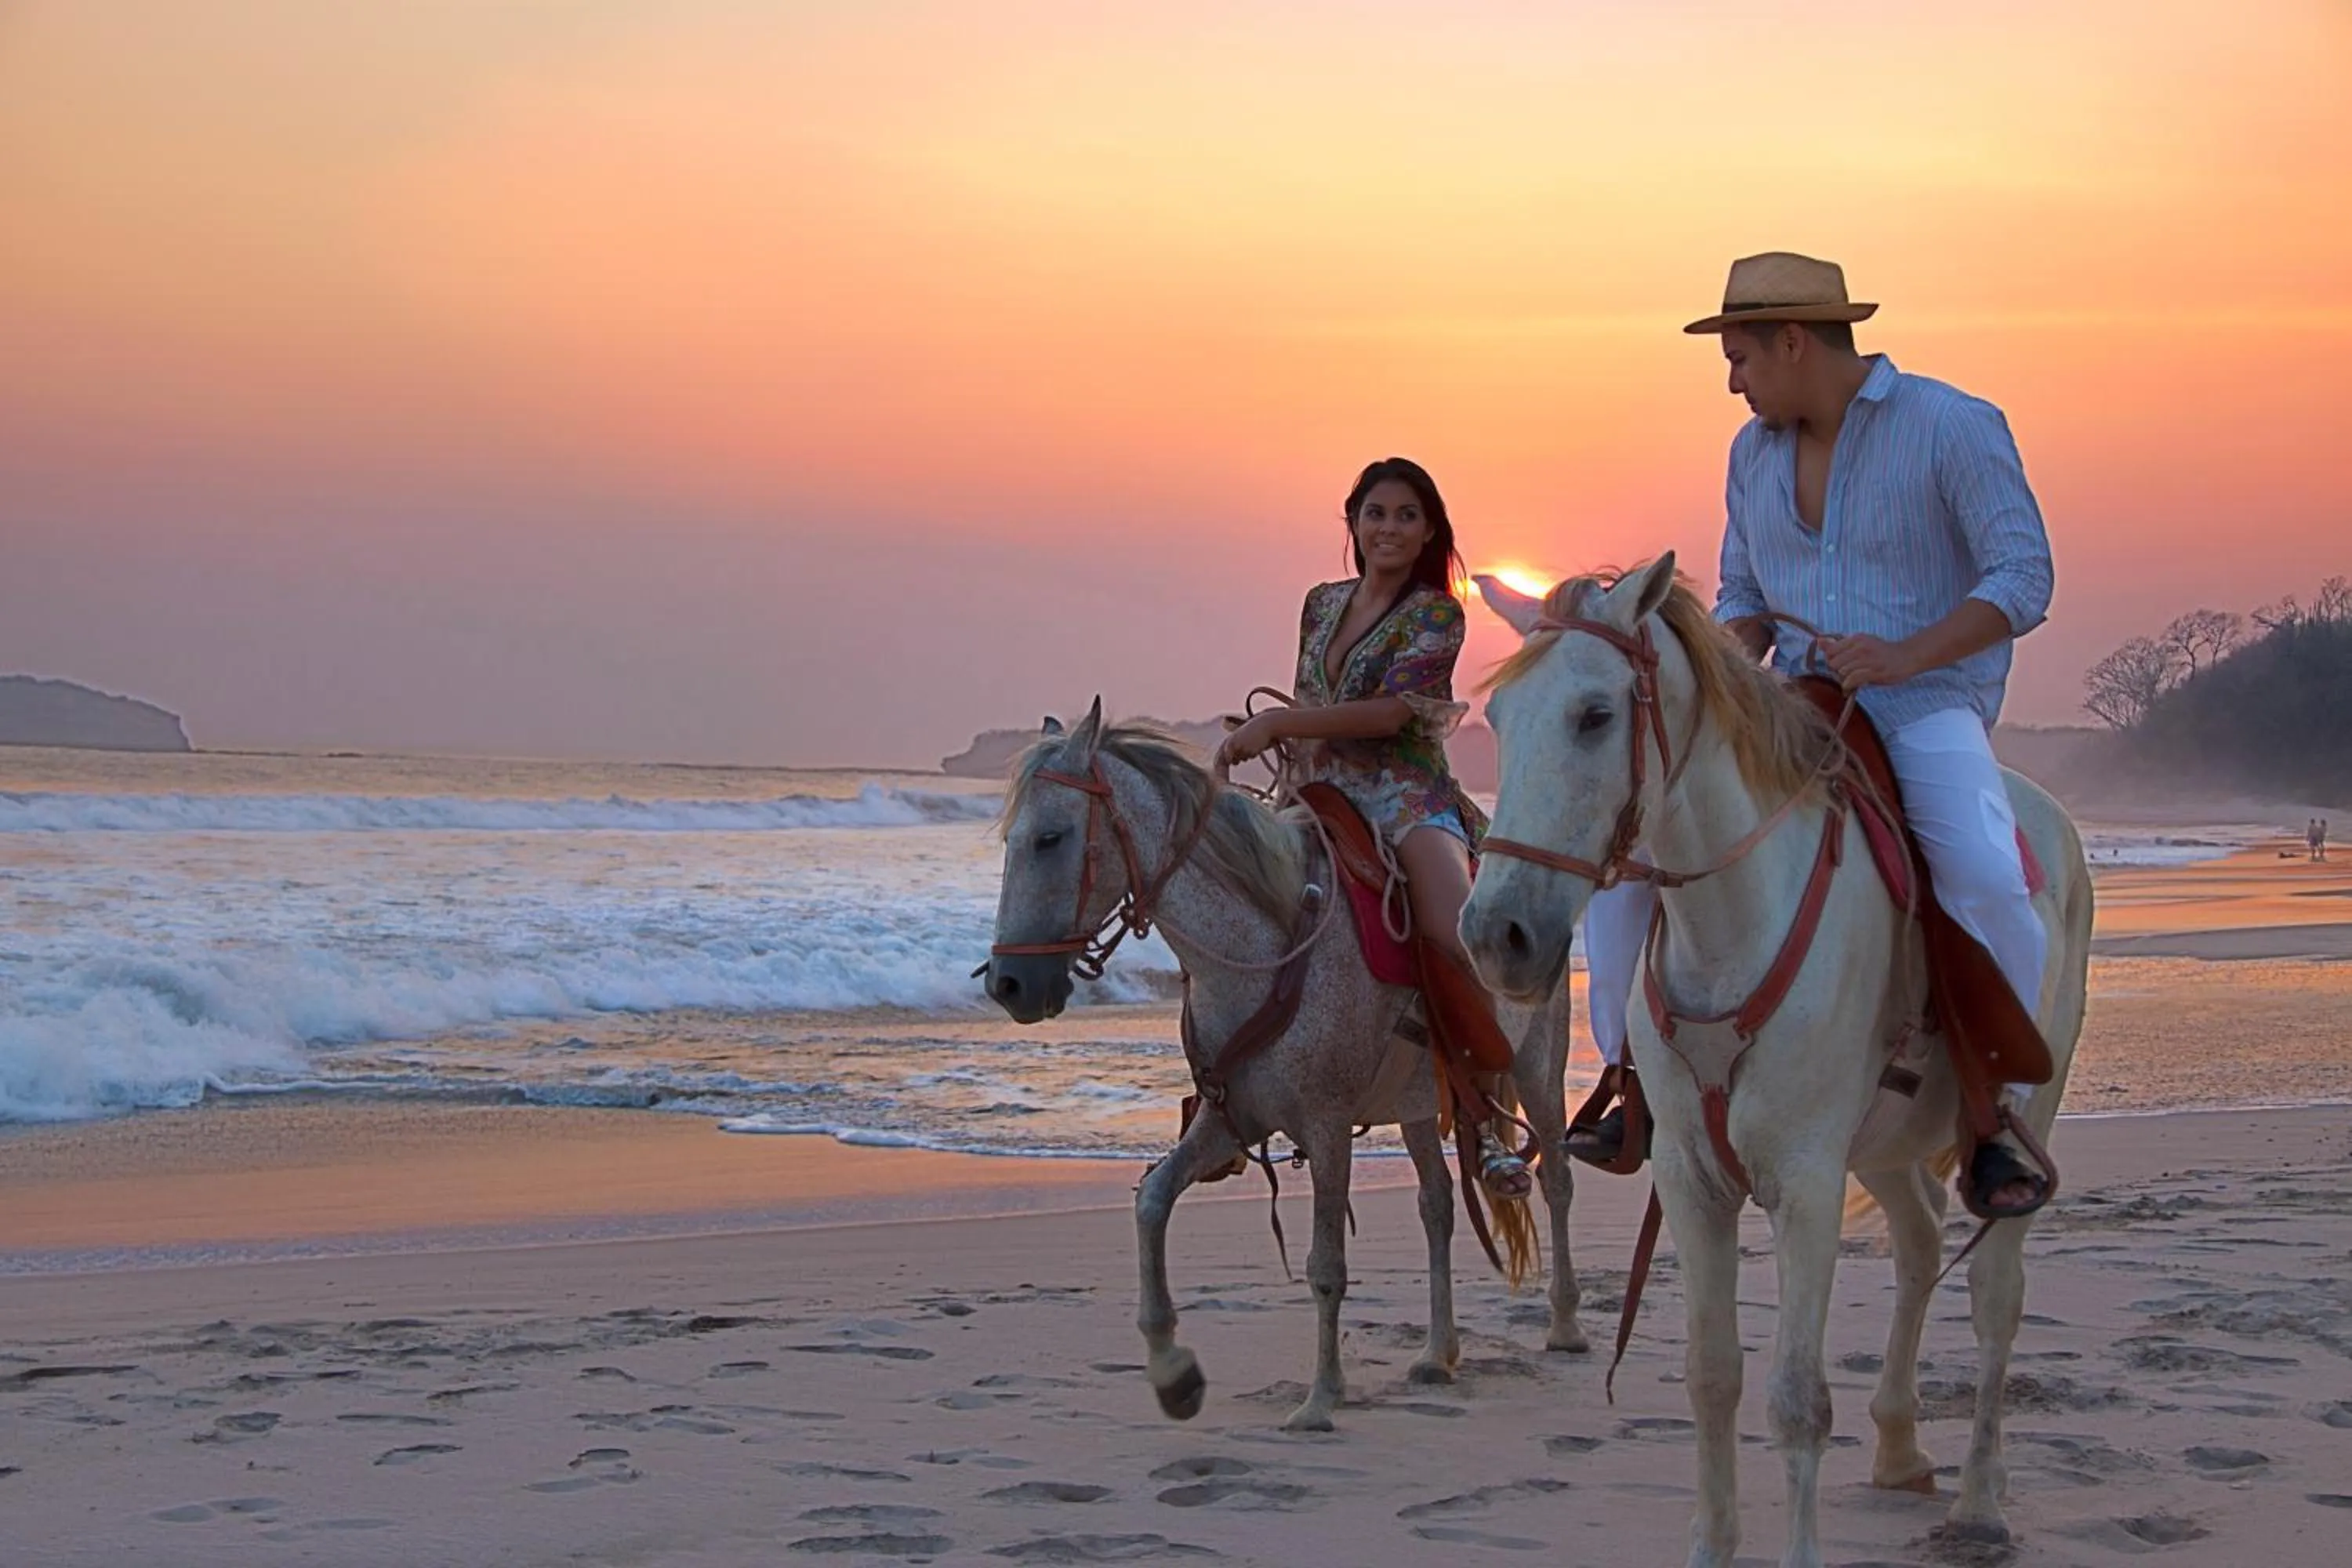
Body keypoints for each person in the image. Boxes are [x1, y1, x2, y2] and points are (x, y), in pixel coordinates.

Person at [1577, 252, 2058, 1218]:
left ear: (1795, 341)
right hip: (1788, 704)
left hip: (1922, 706)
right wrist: (1715, 657)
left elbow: (2022, 579)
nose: (1733, 379)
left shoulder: (1953, 426)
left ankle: (1994, 1111)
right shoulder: (1750, 453)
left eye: (1742, 355)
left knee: (1987, 876)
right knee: (1633, 860)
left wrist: (1905, 654)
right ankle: (1632, 1084)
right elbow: (1747, 597)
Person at [1215, 457, 1531, 1200]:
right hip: (1317, 791)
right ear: (1354, 522)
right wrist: (1286, 748)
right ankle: (1222, 1100)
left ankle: (1485, 1122)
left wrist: (1284, 723)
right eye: (1376, 513)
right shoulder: (1321, 603)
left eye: (1406, 516)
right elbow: (1308, 695)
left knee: (1457, 931)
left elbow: (1394, 714)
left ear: (1428, 532)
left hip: (1403, 793)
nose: (1389, 528)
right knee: (1226, 905)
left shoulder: (1436, 614)